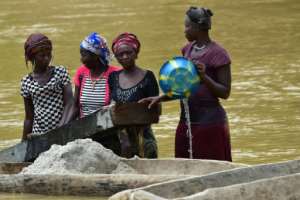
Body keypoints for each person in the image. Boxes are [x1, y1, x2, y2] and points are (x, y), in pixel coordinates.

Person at [139, 7, 232, 161]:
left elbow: (225, 92)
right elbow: (185, 88)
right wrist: (161, 98)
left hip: (210, 124)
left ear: (199, 28)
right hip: (186, 123)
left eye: (187, 26)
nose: (185, 30)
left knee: (211, 168)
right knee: (184, 164)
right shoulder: (187, 49)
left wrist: (204, 77)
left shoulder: (219, 54)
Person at [108, 32, 159, 158]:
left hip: (144, 138)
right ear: (116, 57)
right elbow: (112, 105)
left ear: (136, 53)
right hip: (120, 138)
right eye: (120, 54)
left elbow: (155, 110)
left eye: (129, 53)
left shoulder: (148, 77)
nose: (125, 57)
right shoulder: (113, 77)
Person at [72, 32, 121, 155]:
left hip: (108, 133)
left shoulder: (115, 74)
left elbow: (115, 106)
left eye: (84, 55)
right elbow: (75, 107)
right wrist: (63, 129)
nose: (81, 59)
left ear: (96, 56)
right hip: (85, 133)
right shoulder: (81, 73)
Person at [21, 33, 73, 141]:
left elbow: (69, 104)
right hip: (39, 134)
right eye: (42, 56)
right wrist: (23, 142)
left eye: (49, 54)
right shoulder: (26, 82)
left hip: (62, 129)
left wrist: (61, 128)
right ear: (32, 58)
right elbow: (29, 117)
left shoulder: (60, 72)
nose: (47, 58)